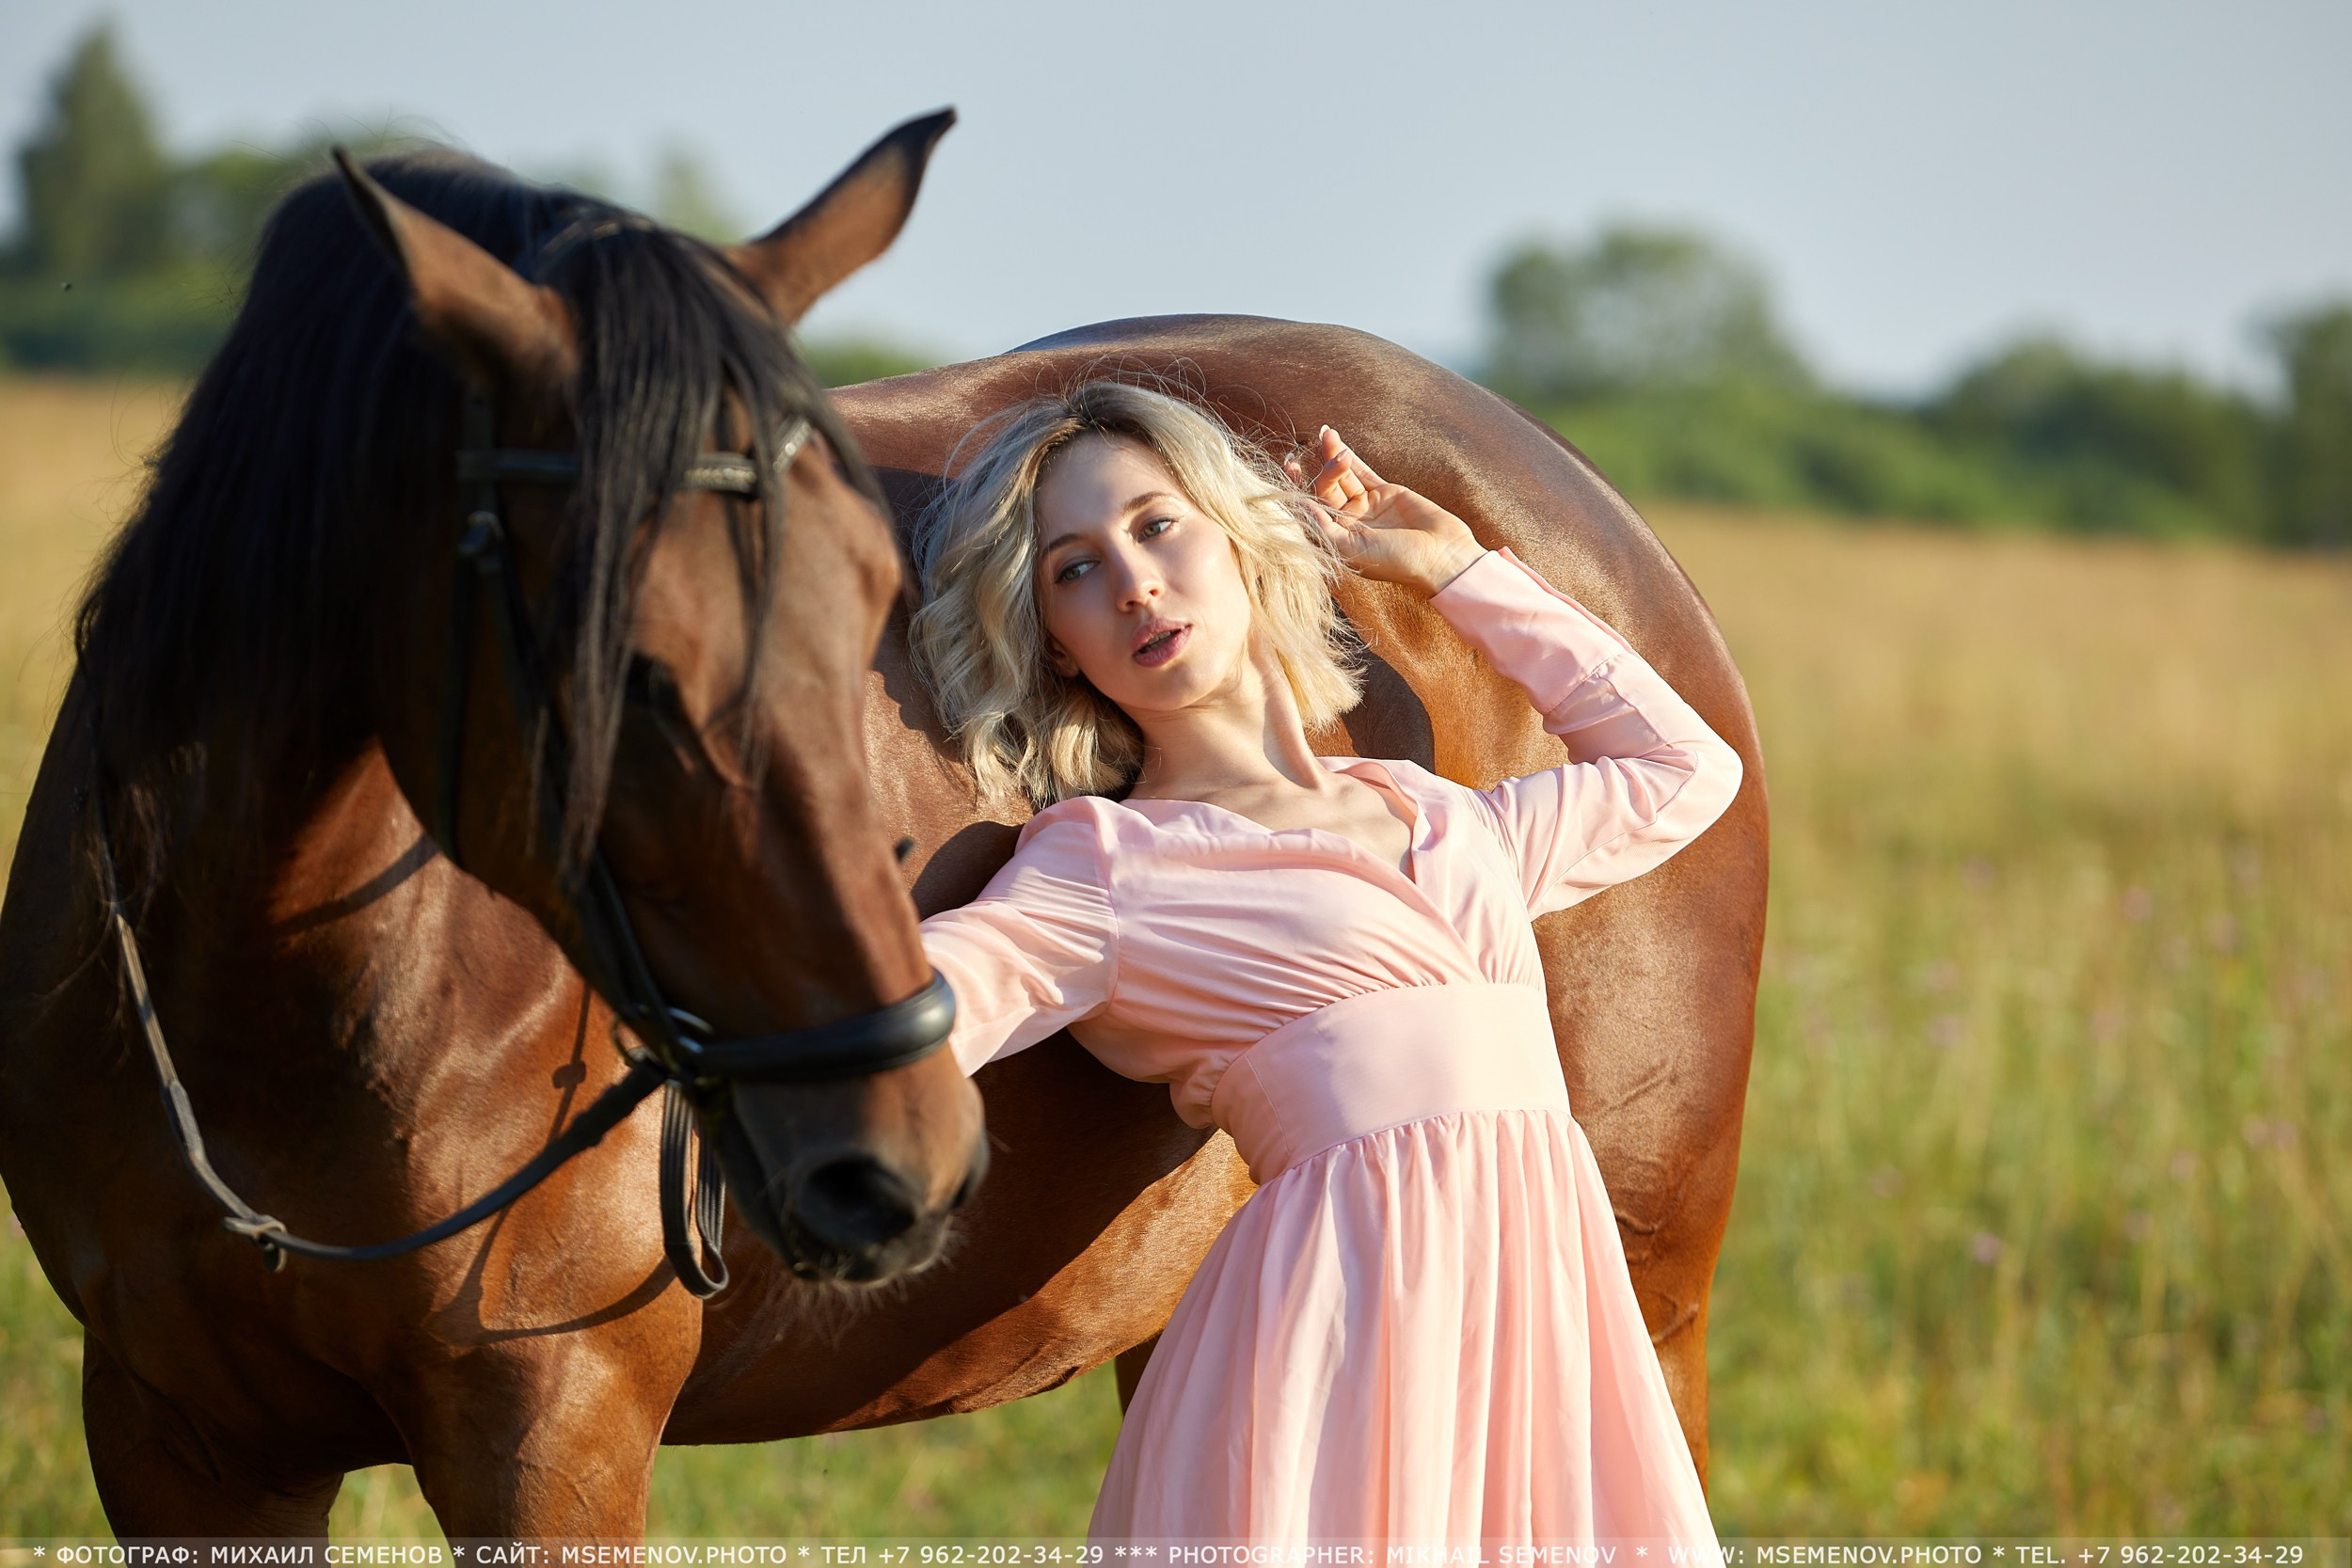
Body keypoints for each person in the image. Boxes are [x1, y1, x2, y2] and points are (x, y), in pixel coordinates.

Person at [906, 379, 1740, 1547]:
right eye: (1075, 569)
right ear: (1058, 641)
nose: (1134, 581)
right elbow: (917, 1013)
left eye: (1157, 525)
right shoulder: (1107, 871)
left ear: (1241, 539)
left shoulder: (1453, 819)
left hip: (1544, 1324)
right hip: (1340, 1348)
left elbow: (1683, 765)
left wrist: (1456, 570)